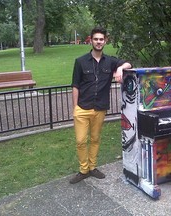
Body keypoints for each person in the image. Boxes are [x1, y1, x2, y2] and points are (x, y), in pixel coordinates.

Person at [70, 27, 132, 184]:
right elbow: (75, 85)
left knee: (95, 139)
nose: (99, 42)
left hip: (100, 108)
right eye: (96, 39)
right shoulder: (80, 61)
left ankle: (92, 167)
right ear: (91, 40)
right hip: (82, 108)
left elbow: (128, 64)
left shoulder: (110, 61)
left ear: (105, 41)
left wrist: (118, 68)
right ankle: (83, 169)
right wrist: (75, 107)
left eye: (101, 39)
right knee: (81, 140)